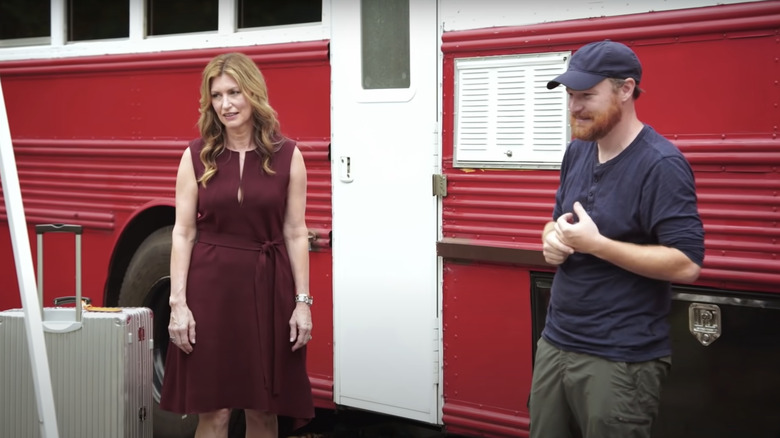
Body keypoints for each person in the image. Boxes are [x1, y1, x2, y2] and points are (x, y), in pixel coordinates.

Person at [529, 40, 705, 438]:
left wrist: (598, 245)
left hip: (619, 359)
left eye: (587, 95)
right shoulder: (578, 151)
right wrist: (552, 239)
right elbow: (557, 222)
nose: (574, 107)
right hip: (556, 343)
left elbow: (687, 263)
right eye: (571, 96)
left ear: (626, 89)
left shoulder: (661, 165)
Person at [160, 52, 315, 438]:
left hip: (268, 290)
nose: (226, 104)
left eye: (234, 92)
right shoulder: (195, 156)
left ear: (253, 93)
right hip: (210, 292)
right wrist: (178, 304)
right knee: (214, 412)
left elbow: (296, 232)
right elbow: (182, 232)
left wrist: (302, 303)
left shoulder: (289, 155)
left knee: (264, 410)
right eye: (216, 96)